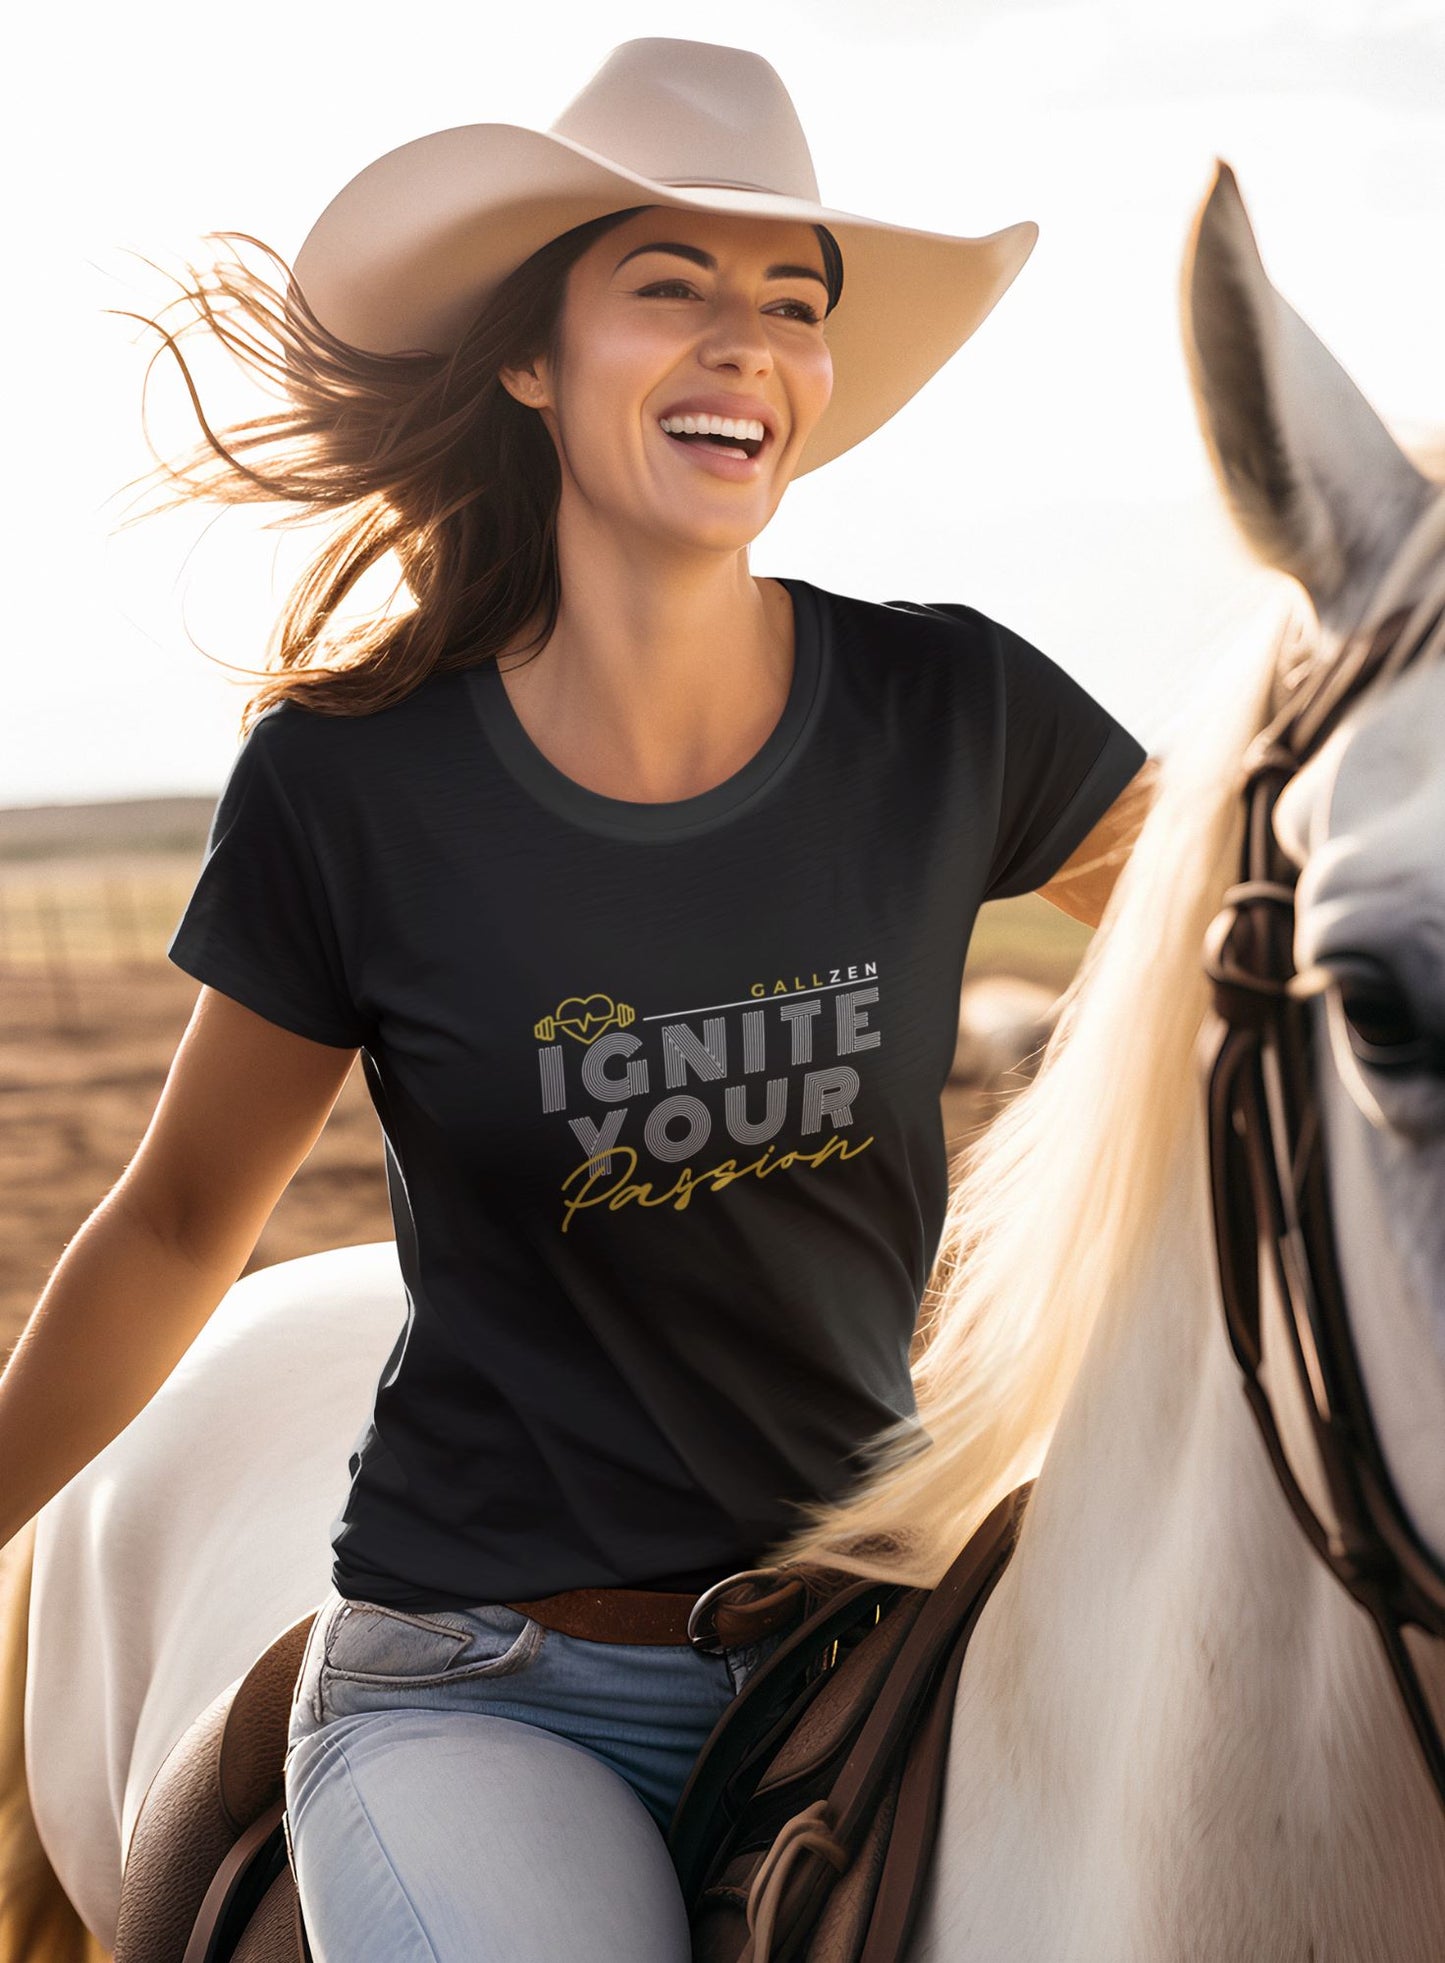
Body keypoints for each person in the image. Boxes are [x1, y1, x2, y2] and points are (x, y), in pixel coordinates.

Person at [0, 35, 1157, 1961]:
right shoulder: (353, 786)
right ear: (531, 357)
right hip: (494, 1686)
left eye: (791, 303)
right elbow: (185, 1218)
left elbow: (1246, 946)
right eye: (670, 287)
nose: (748, 342)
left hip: (887, 1640)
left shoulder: (949, 708)